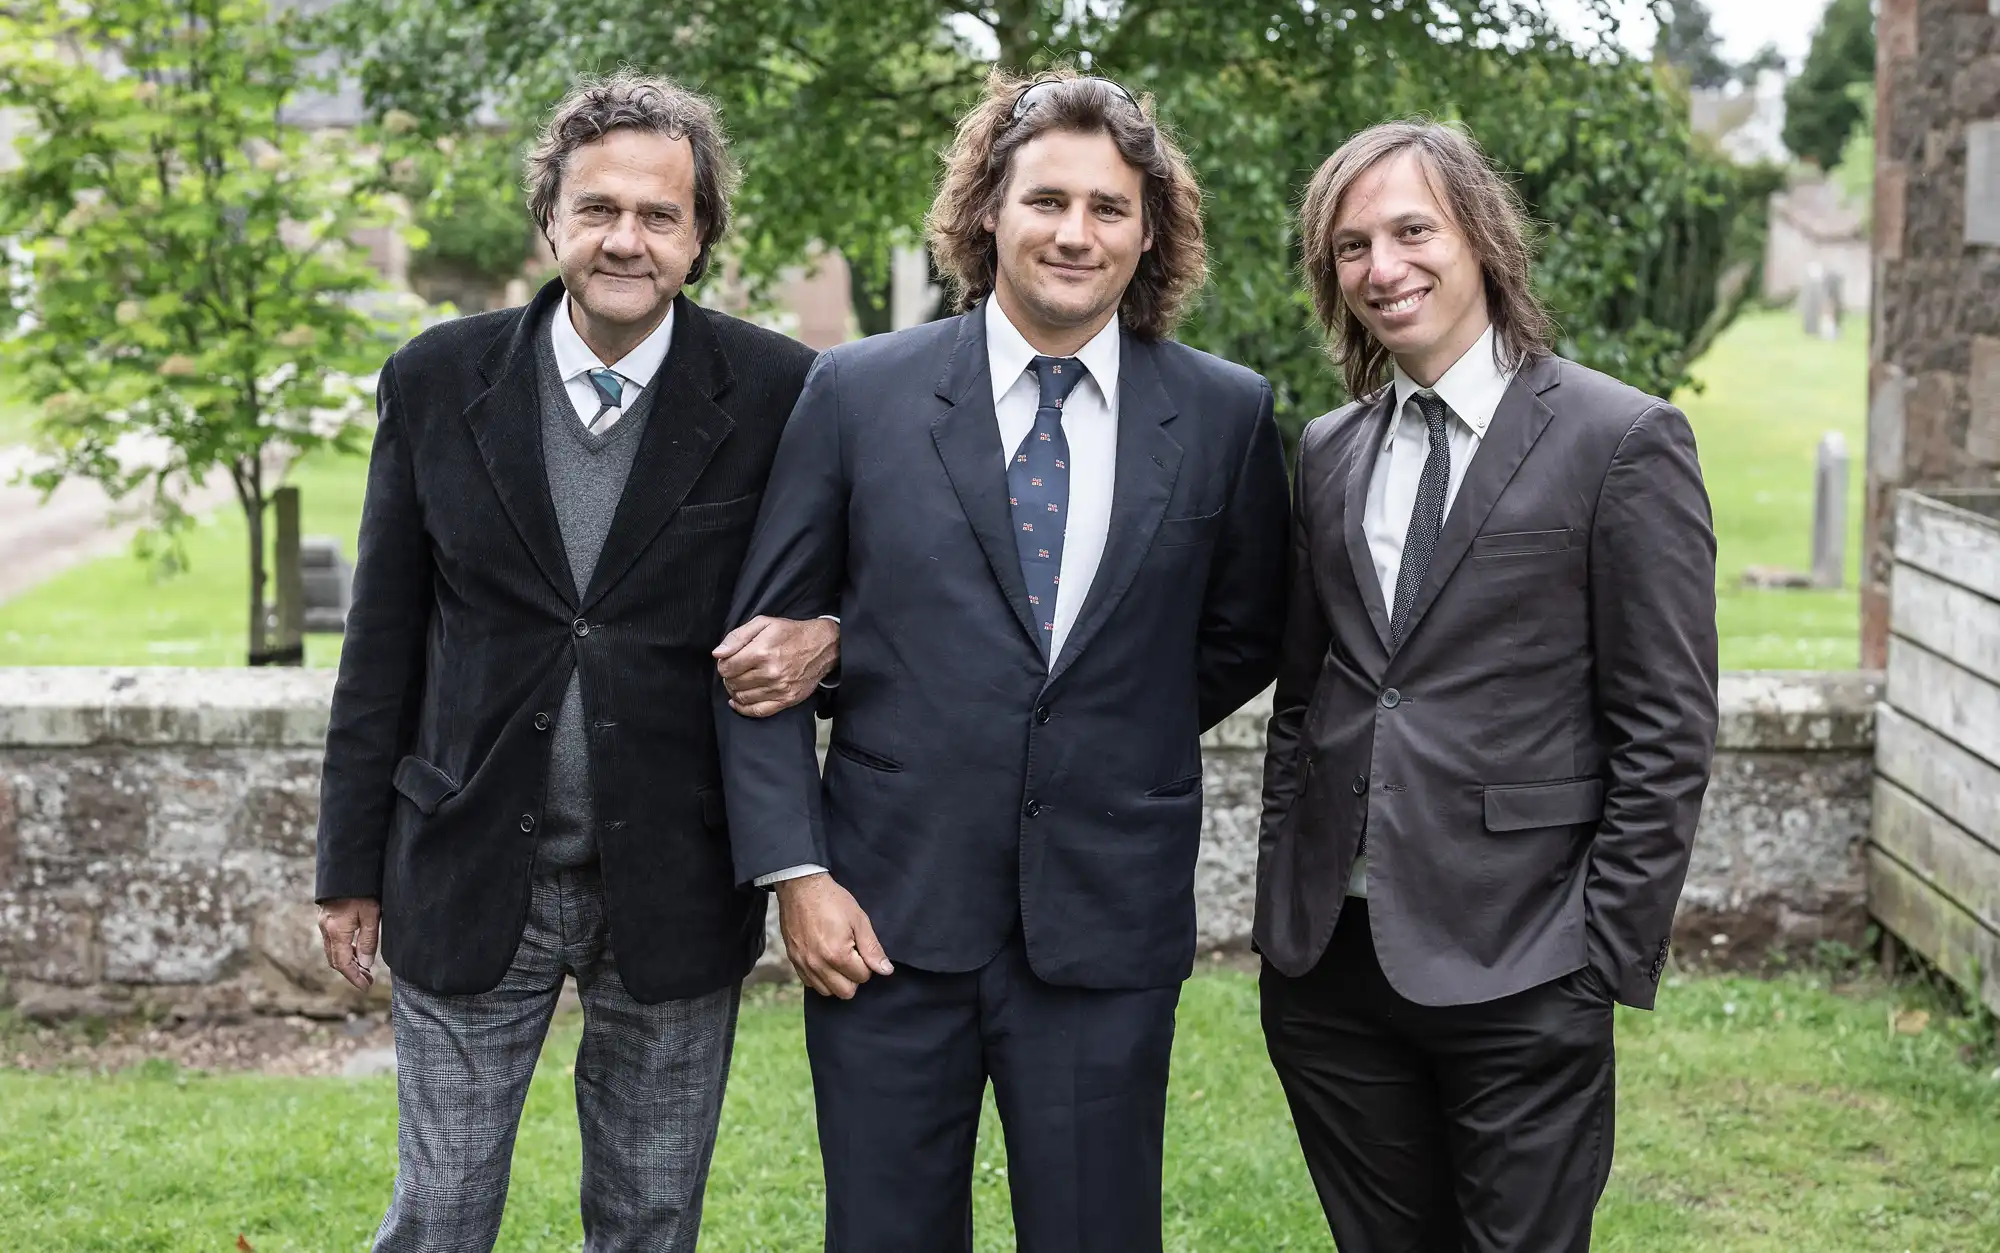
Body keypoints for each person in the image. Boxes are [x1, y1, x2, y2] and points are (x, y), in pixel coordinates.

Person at [714, 68, 1290, 1252]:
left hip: (1104, 922)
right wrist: (795, 877)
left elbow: (1242, 631)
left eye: (1108, 207)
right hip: (879, 915)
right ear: (987, 210)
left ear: (1149, 231)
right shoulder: (856, 392)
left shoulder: (1225, 414)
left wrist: (1105, 729)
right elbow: (760, 654)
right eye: (1045, 200)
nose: (1074, 232)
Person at [313, 71, 836, 1252]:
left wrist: (830, 638)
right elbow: (380, 644)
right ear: (548, 218)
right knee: (440, 1213)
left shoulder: (780, 394)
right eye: (597, 208)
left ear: (700, 238)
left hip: (677, 873)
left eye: (659, 215)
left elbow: (835, 606)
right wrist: (348, 866)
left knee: (649, 1217)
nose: (624, 239)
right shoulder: (435, 381)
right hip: (464, 857)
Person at [1255, 118, 1720, 1252]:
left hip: (1525, 962)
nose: (1383, 267)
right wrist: (1281, 903)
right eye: (1352, 245)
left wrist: (1597, 953)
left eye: (1411, 230)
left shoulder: (1619, 439)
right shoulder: (1327, 447)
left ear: (1480, 241)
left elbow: (1665, 725)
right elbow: (1307, 698)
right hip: (1330, 974)